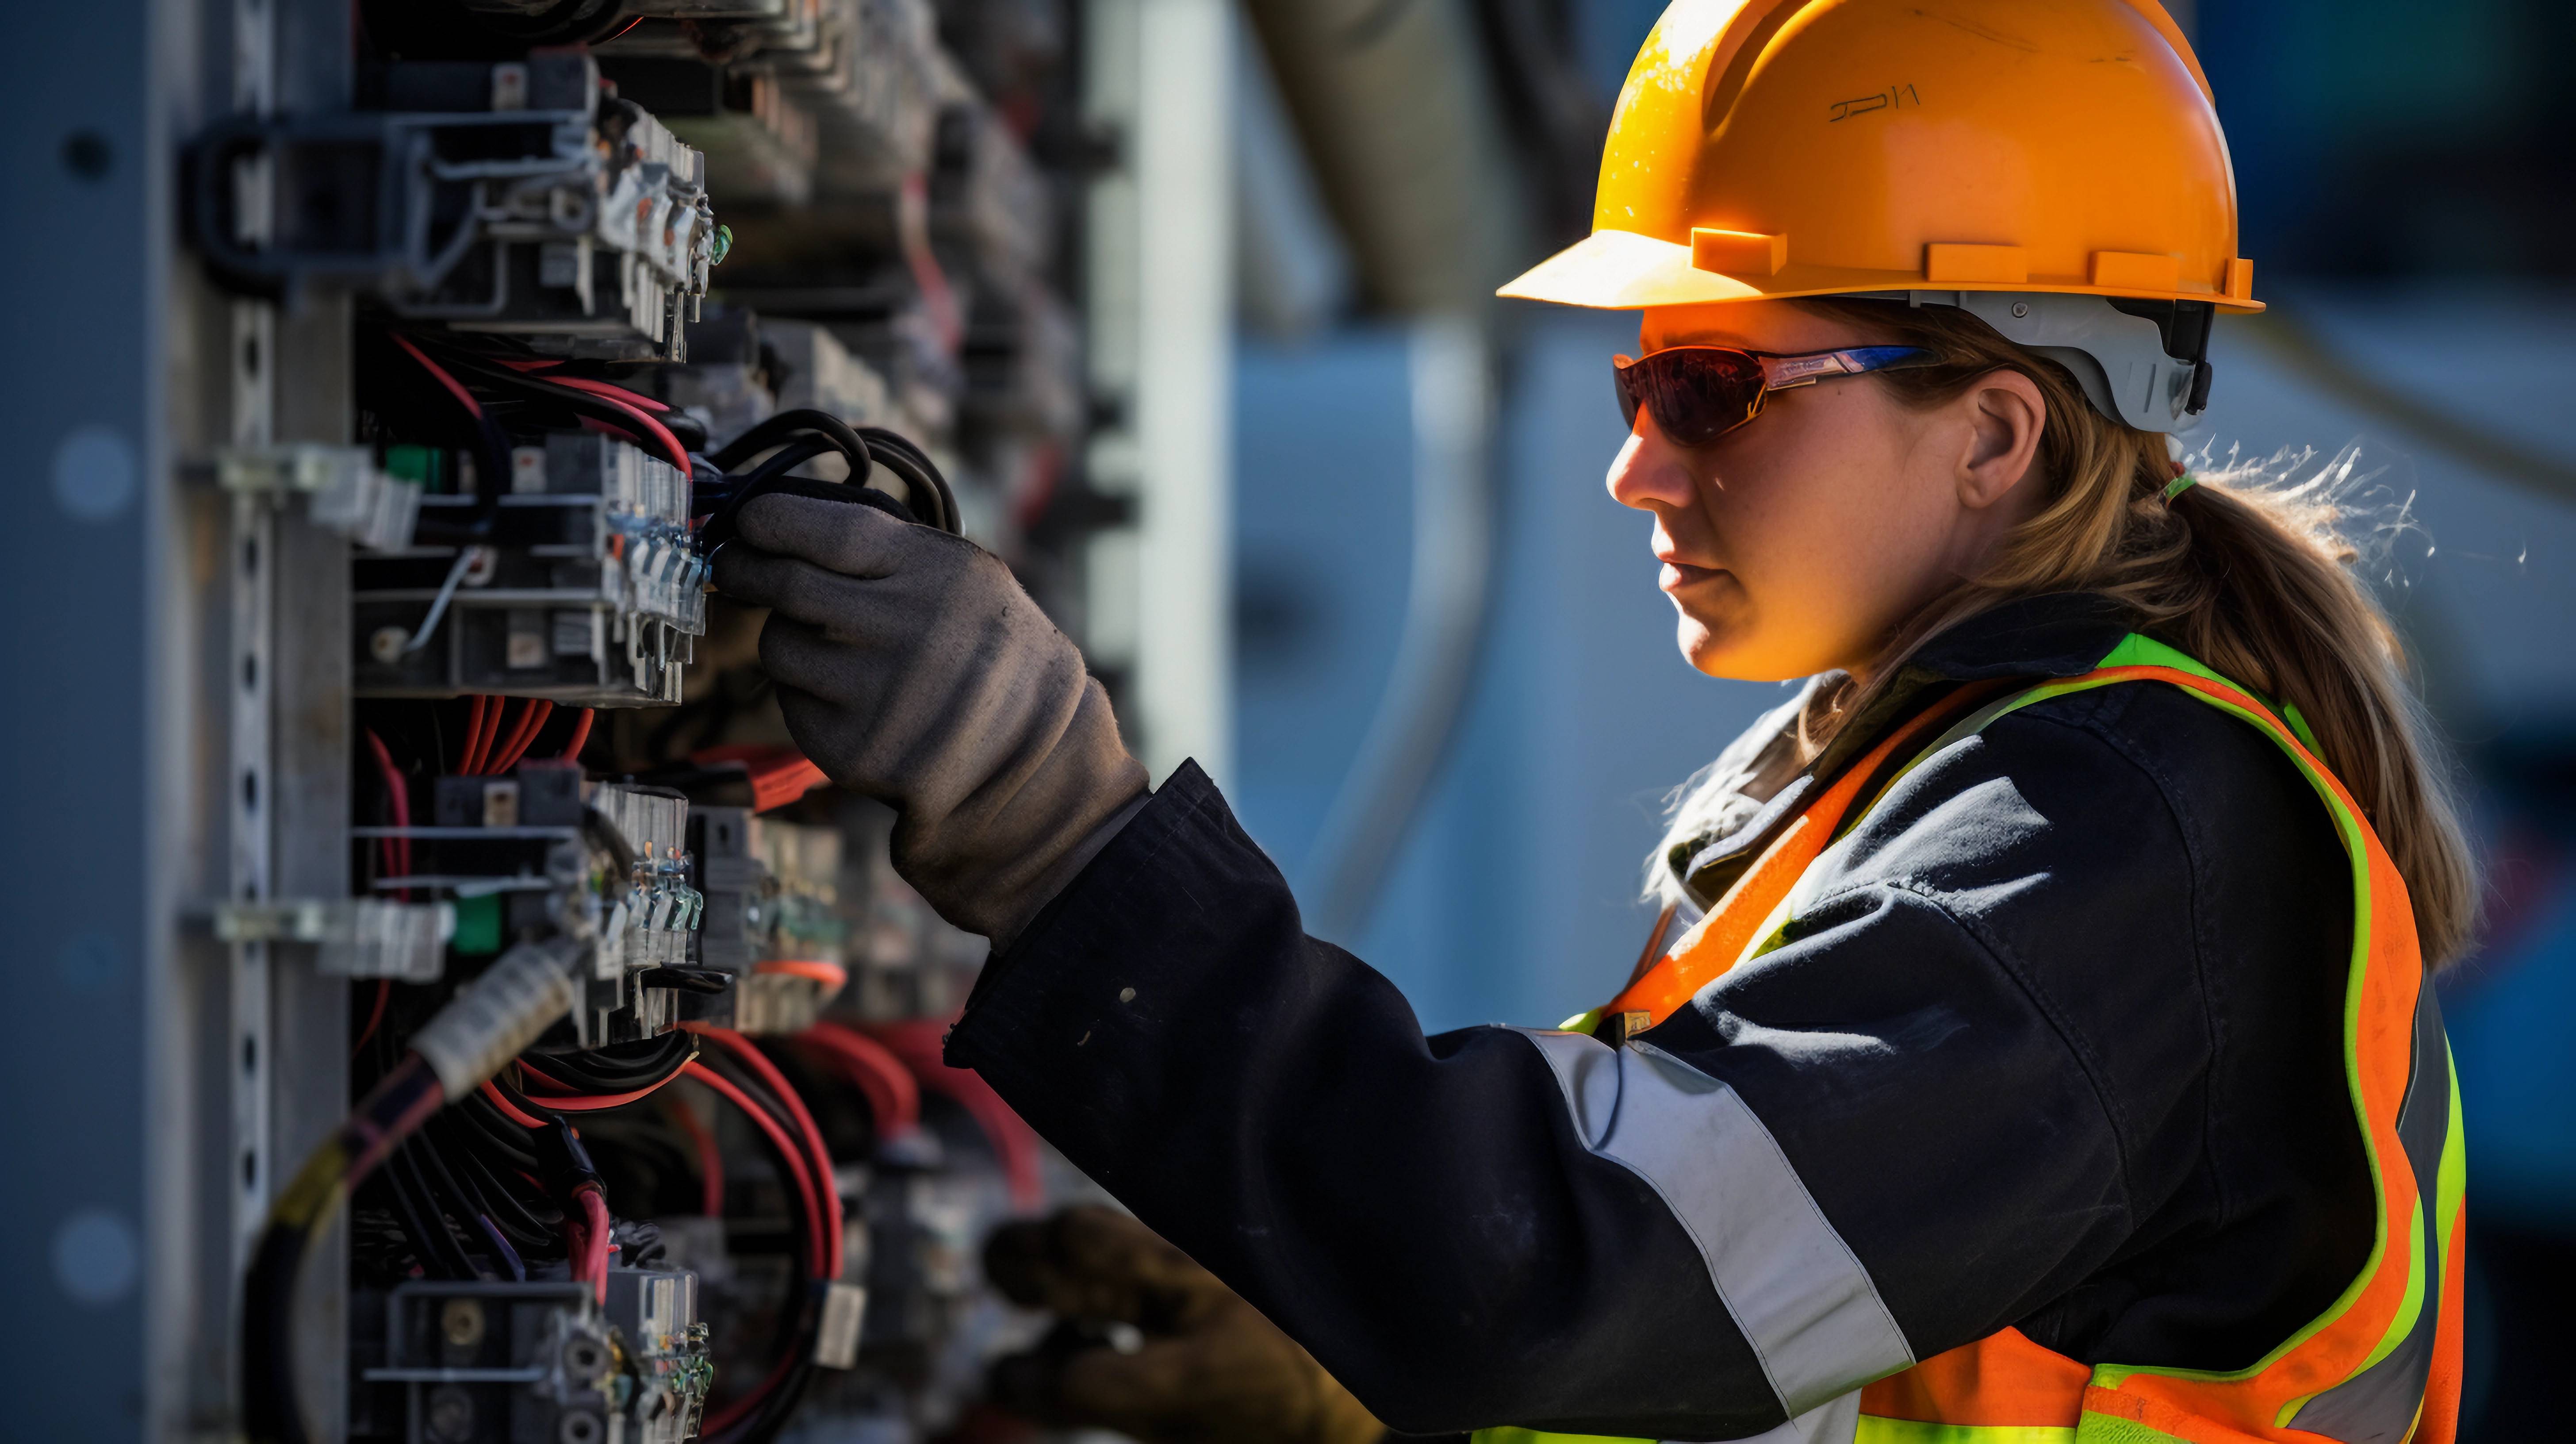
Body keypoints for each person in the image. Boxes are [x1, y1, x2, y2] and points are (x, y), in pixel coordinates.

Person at [712, 2, 2474, 1440]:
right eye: (1641, 384)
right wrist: (1364, 1397)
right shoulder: (2003, 801)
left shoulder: (2113, 838)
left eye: (1714, 386)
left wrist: (1056, 830)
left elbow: (1564, 1283)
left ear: (1995, 434)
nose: (1635, 461)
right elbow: (1740, 1343)